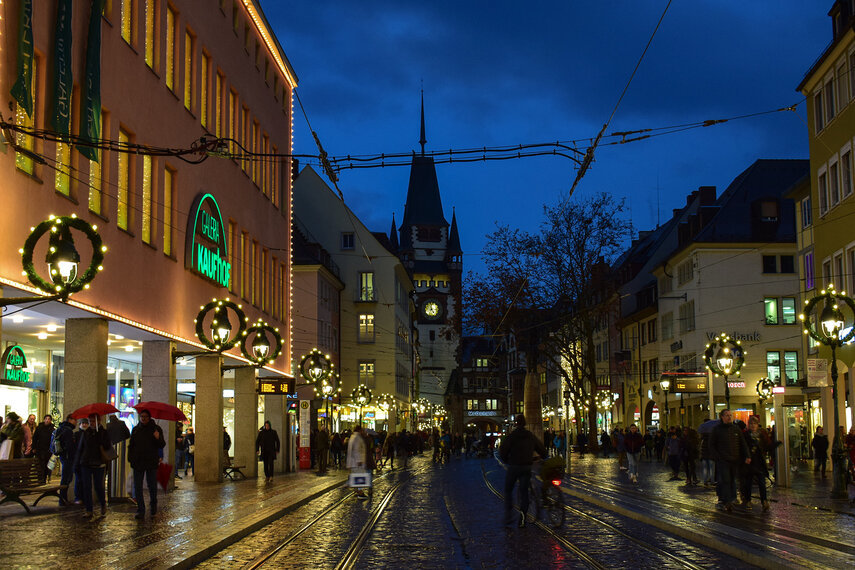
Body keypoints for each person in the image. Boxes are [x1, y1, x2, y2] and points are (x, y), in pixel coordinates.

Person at [499, 414, 548, 527]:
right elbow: (541, 449)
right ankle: (523, 517)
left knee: (508, 490)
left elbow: (503, 451)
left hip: (514, 466)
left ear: (516, 423)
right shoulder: (530, 435)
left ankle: (509, 515)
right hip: (526, 467)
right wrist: (544, 457)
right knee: (524, 492)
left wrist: (507, 460)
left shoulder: (512, 436)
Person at [709, 409, 751, 512]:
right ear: (722, 417)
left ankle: (731, 498)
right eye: (727, 415)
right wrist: (717, 457)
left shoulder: (736, 429)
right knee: (725, 479)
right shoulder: (717, 430)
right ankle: (726, 500)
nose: (729, 417)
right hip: (723, 460)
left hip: (734, 459)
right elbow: (711, 445)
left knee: (732, 479)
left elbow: (742, 443)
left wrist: (747, 455)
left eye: (730, 415)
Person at [128, 409, 166, 519]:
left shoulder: (156, 429)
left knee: (152, 485)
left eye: (145, 416)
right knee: (138, 486)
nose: (143, 418)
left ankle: (153, 506)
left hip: (151, 461)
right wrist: (131, 459)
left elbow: (162, 444)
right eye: (141, 416)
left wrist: (157, 438)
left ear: (149, 418)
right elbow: (131, 445)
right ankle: (141, 510)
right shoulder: (135, 430)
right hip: (138, 462)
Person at [76, 414, 112, 518]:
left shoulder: (103, 432)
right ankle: (89, 510)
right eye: (90, 421)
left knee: (98, 486)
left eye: (93, 421)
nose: (91, 423)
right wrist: (77, 462)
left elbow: (107, 445)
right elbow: (81, 448)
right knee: (87, 487)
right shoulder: (86, 432)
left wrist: (99, 437)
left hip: (98, 463)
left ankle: (102, 504)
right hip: (86, 462)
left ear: (99, 421)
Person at [741, 416, 771, 512]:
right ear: (748, 425)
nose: (753, 425)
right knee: (748, 483)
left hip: (759, 462)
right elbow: (742, 447)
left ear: (757, 425)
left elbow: (767, 446)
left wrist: (777, 443)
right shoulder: (745, 435)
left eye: (754, 424)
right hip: (749, 463)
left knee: (762, 483)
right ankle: (748, 500)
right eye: (751, 424)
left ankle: (764, 501)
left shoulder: (761, 435)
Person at [54, 414, 77, 504]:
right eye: (75, 420)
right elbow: (69, 446)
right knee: (66, 478)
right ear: (70, 420)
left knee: (66, 478)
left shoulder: (61, 428)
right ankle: (63, 499)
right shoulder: (68, 430)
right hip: (68, 457)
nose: (76, 422)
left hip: (63, 456)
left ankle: (63, 498)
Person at [346, 425, 369, 499]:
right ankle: (360, 492)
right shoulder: (357, 438)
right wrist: (359, 460)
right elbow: (357, 450)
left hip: (353, 461)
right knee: (359, 476)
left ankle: (357, 490)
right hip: (357, 462)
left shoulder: (353, 437)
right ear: (359, 430)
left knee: (357, 476)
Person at [32, 414, 55, 483]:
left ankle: (44, 478)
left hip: (48, 450)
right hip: (40, 449)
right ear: (44, 420)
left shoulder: (52, 429)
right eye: (46, 419)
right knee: (40, 465)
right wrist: (34, 447)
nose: (47, 420)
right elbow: (35, 438)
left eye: (49, 419)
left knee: (46, 466)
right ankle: (40, 479)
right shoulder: (39, 428)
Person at [72, 417, 90, 503]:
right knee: (79, 480)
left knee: (85, 480)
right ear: (80, 424)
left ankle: (84, 497)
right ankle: (78, 497)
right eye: (83, 423)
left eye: (86, 423)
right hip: (78, 460)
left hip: (87, 461)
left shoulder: (90, 434)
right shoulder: (76, 434)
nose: (84, 424)